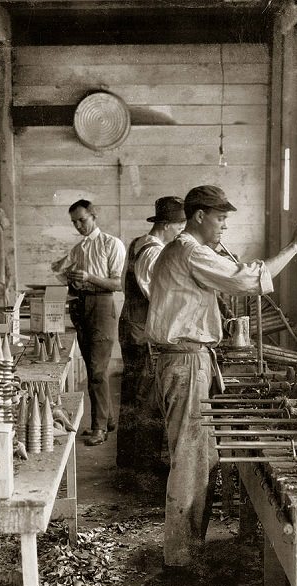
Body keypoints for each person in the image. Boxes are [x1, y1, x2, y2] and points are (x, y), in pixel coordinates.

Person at [145, 185, 297, 567]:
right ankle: (181, 559)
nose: (224, 224)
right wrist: (294, 247)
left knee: (202, 455)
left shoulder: (187, 250)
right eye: (220, 217)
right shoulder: (190, 251)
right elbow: (245, 280)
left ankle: (190, 549)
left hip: (191, 358)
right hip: (186, 361)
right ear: (200, 216)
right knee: (190, 460)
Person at [117, 196, 185, 473]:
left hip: (134, 327)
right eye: (181, 227)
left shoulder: (138, 243)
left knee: (135, 396)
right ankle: (143, 469)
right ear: (167, 225)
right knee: (145, 400)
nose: (182, 234)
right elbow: (158, 297)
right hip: (141, 333)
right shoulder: (153, 253)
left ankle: (130, 464)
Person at [51, 200, 126, 447]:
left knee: (96, 371)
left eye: (82, 220)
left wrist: (88, 277)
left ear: (94, 216)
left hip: (102, 307)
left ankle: (99, 427)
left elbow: (117, 284)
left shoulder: (111, 243)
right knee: (94, 369)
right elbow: (65, 276)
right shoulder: (79, 248)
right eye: (74, 222)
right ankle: (109, 420)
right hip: (80, 305)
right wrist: (66, 275)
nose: (78, 225)